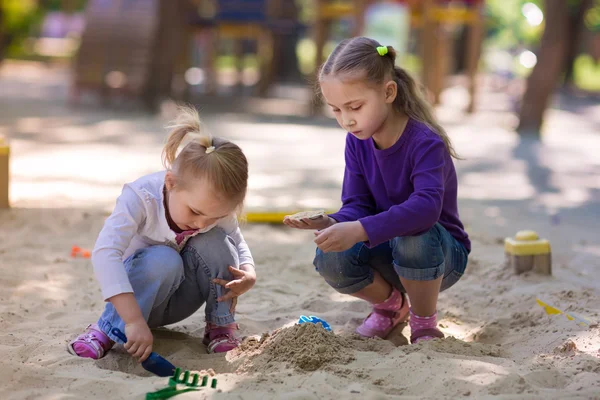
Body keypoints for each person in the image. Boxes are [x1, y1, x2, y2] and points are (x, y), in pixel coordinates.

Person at [284, 37, 470, 343]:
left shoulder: (426, 143)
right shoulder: (357, 142)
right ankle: (390, 307)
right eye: (336, 110)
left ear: (388, 92)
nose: (347, 120)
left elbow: (425, 209)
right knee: (330, 254)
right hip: (388, 249)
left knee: (415, 237)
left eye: (355, 106)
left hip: (439, 257)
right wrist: (332, 222)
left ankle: (424, 321)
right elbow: (357, 204)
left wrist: (359, 229)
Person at [68, 106, 256, 361]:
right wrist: (132, 319)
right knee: (164, 259)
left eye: (214, 216)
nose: (201, 223)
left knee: (216, 241)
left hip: (182, 300)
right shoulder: (141, 197)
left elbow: (236, 241)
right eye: (195, 212)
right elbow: (105, 253)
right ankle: (108, 329)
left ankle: (220, 326)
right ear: (170, 183)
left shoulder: (213, 208)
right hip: (134, 301)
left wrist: (249, 273)